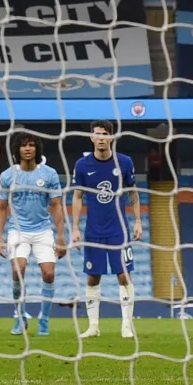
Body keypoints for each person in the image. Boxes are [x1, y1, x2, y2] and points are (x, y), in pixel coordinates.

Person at [70, 120, 144, 339]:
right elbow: (77, 196)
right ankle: (93, 326)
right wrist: (74, 227)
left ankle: (127, 326)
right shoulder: (82, 165)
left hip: (118, 230)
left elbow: (133, 193)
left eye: (104, 134)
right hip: (93, 230)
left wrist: (138, 221)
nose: (101, 138)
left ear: (111, 137)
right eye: (97, 134)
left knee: (124, 276)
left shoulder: (125, 162)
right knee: (93, 277)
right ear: (91, 138)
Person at [0, 132, 68, 336]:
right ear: (17, 150)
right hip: (17, 230)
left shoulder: (49, 174)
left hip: (43, 231)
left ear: (37, 149)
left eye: (31, 145)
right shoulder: (8, 175)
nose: (28, 149)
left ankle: (44, 320)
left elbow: (56, 206)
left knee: (49, 273)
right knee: (18, 269)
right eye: (24, 145)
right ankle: (20, 317)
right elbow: (1, 208)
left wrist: (61, 236)